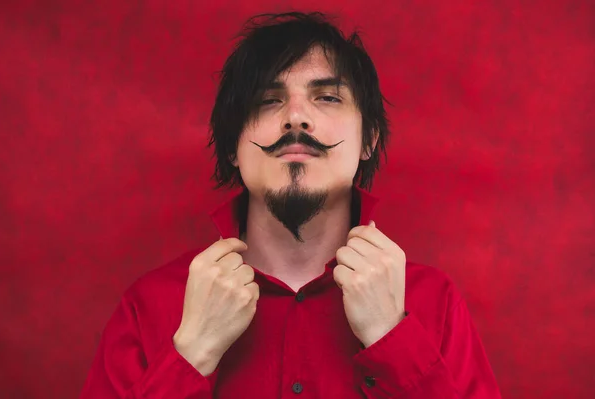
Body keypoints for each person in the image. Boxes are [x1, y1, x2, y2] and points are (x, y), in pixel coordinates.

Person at [80, 12, 502, 399]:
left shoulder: (434, 302)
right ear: (232, 146)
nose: (296, 118)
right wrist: (192, 354)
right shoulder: (149, 305)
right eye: (268, 100)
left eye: (327, 98)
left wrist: (392, 340)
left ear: (369, 139)